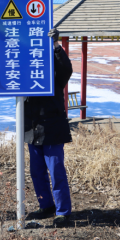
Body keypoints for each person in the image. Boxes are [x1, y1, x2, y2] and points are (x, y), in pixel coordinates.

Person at [24, 28, 73, 227]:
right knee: (36, 171)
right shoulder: (24, 74)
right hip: (31, 127)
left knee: (56, 170)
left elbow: (66, 69)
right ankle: (46, 206)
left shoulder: (55, 73)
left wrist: (55, 46)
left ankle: (63, 211)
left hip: (52, 127)